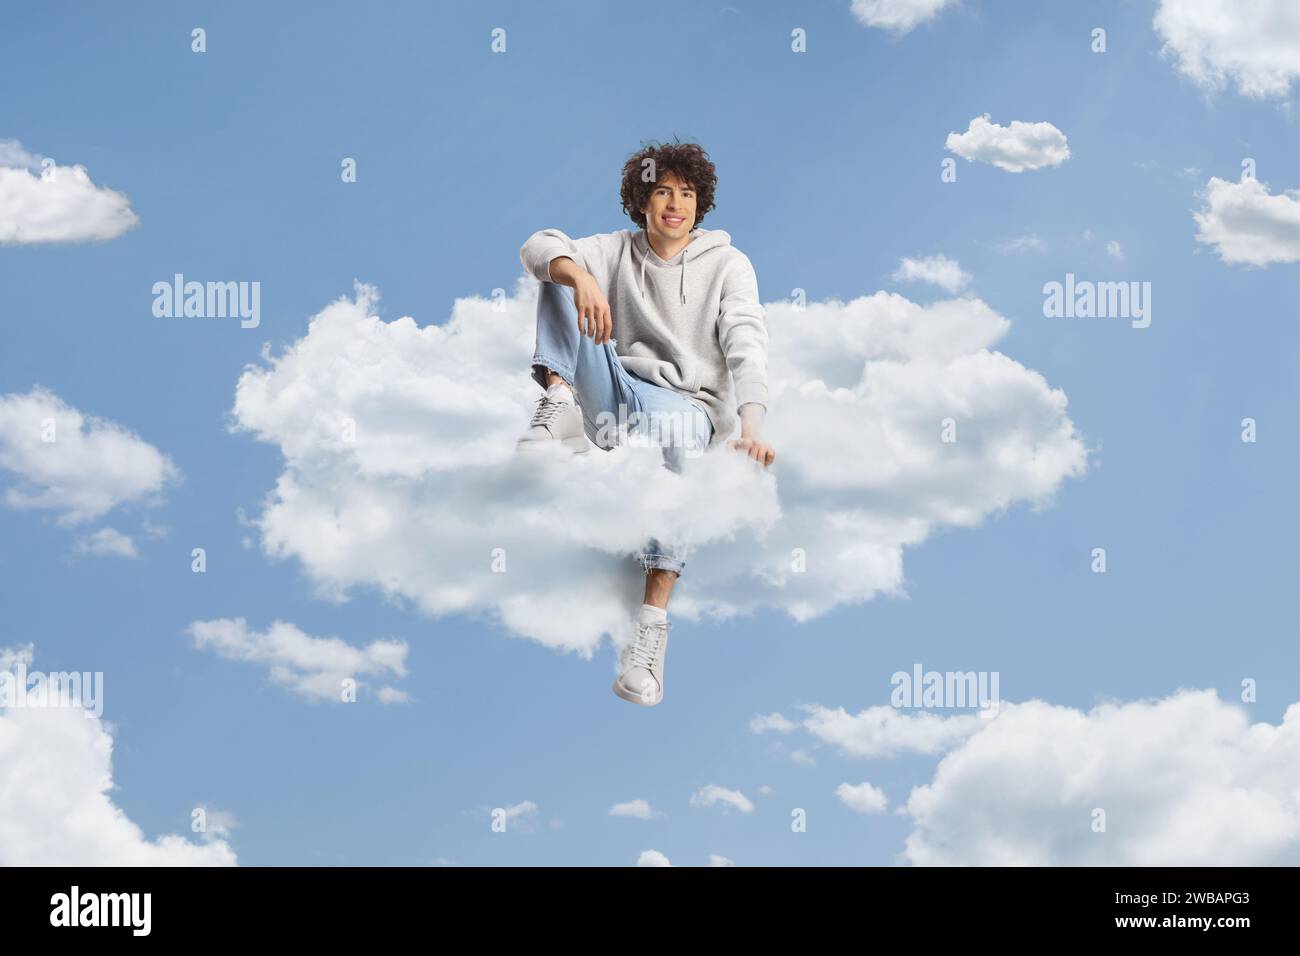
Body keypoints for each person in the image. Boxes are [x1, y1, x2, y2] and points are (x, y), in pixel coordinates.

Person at [517, 140, 776, 706]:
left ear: (700, 204)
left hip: (684, 406)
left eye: (686, 194)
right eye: (663, 191)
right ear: (641, 201)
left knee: (680, 438)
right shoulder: (616, 250)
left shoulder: (728, 264)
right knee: (558, 270)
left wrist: (751, 426)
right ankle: (557, 404)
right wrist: (580, 277)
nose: (675, 205)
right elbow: (538, 245)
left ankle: (650, 638)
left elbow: (746, 341)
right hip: (615, 391)